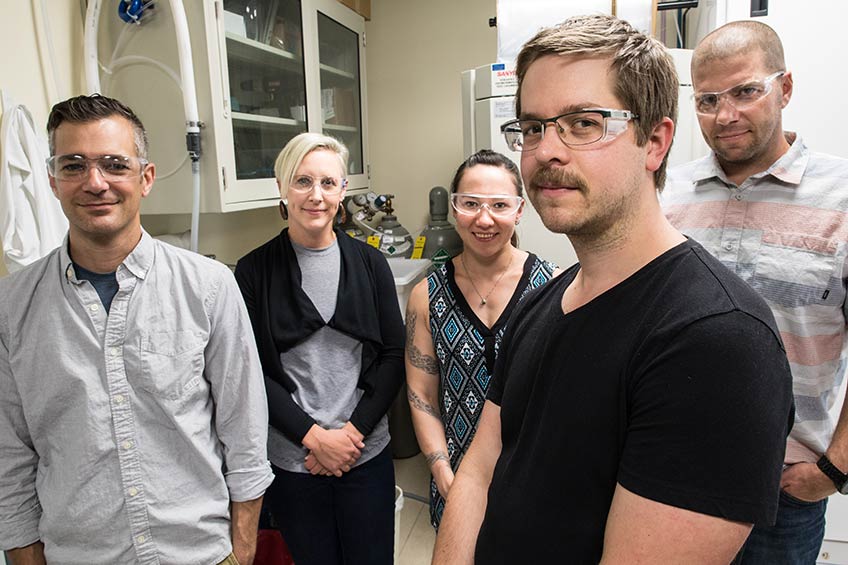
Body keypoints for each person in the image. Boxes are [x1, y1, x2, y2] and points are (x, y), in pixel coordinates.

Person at [433, 14, 795, 564]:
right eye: (533, 127)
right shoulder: (543, 300)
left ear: (654, 141)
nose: (546, 151)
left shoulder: (718, 341)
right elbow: (480, 468)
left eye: (583, 123)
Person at [0, 94, 273, 565]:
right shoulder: (12, 307)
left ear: (145, 178)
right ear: (52, 180)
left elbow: (244, 434)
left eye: (113, 164)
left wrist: (242, 551)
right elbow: (10, 462)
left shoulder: (208, 287)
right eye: (73, 166)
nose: (95, 182)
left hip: (199, 554)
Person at [663, 20, 848, 564]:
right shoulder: (668, 195)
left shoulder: (842, 199)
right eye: (708, 100)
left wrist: (834, 470)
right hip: (674, 470)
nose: (726, 115)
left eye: (746, 91)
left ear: (785, 88)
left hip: (784, 488)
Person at [234, 132, 404, 565]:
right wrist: (315, 439)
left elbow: (392, 355)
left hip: (363, 454)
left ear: (343, 190)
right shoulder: (253, 271)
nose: (316, 195)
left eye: (328, 183)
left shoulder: (370, 264)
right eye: (302, 181)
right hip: (294, 462)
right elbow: (252, 372)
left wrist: (352, 435)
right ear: (282, 187)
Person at [404, 149, 558, 530]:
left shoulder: (552, 288)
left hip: (533, 483)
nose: (484, 219)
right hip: (455, 480)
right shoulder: (427, 295)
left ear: (519, 210)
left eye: (499, 205)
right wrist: (442, 472)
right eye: (470, 203)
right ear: (455, 208)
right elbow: (421, 393)